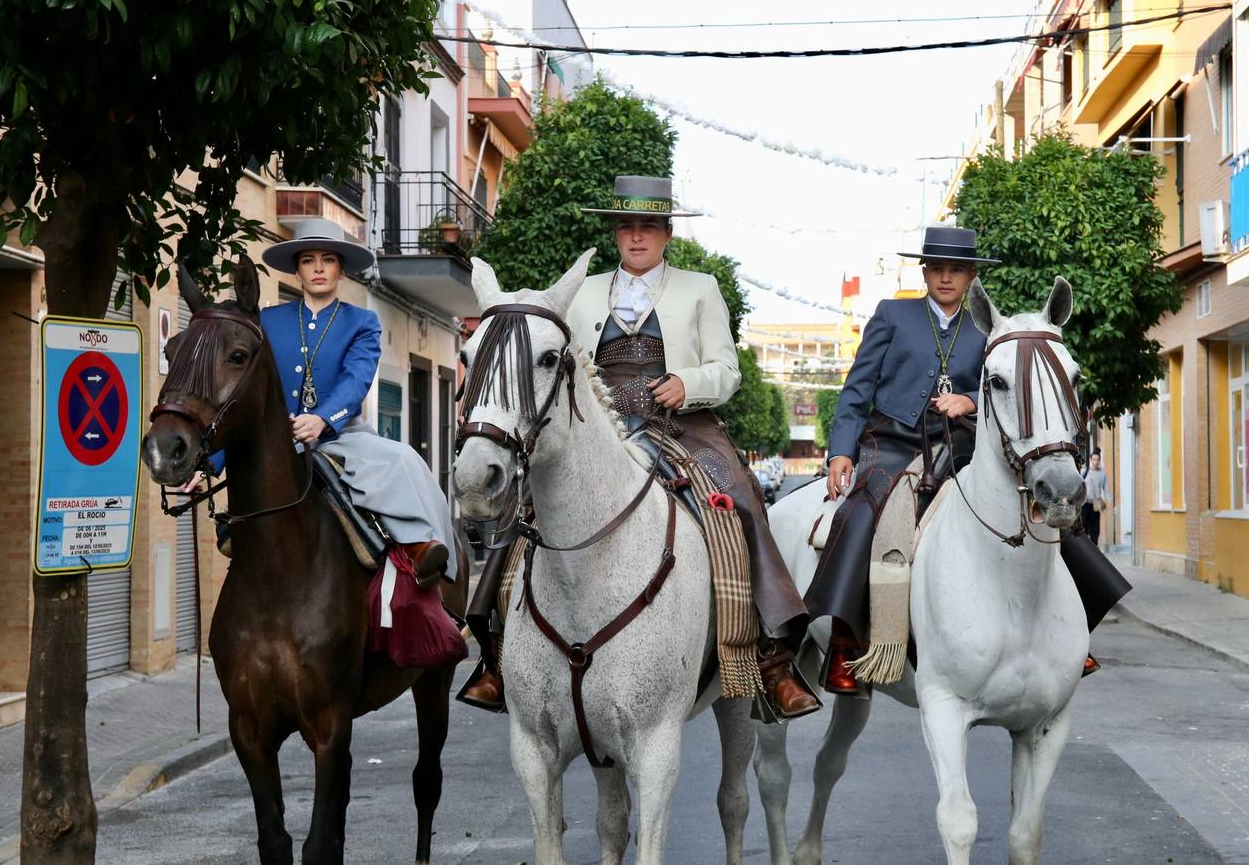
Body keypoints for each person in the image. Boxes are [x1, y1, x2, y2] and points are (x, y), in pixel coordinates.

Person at [460, 175, 821, 721]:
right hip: (597, 425)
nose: (636, 236)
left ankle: (773, 658)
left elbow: (727, 370)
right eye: (626, 226)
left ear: (666, 233)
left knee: (740, 496)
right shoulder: (578, 290)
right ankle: (492, 650)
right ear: (615, 233)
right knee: (529, 505)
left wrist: (688, 383)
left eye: (647, 226)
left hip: (681, 423)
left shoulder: (700, 288)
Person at [186, 217, 456, 582]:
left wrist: (324, 418)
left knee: (403, 458)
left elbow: (356, 380)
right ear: (297, 269)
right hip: (276, 441)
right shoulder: (267, 321)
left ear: (340, 269)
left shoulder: (362, 322)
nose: (317, 268)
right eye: (308, 260)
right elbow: (242, 394)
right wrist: (211, 463)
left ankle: (416, 544)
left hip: (342, 438)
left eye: (327, 259)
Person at [808, 225, 991, 694]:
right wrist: (841, 451)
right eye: (938, 268)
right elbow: (858, 387)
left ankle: (1069, 633)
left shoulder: (987, 327)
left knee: (1029, 499)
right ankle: (846, 643)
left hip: (960, 444)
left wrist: (970, 399)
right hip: (890, 440)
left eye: (957, 270)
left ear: (971, 275)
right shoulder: (892, 313)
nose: (946, 277)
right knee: (861, 511)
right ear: (925, 271)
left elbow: (1002, 389)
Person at [1081, 451, 1110, 545]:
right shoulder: (1084, 471)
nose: (1096, 462)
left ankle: (1094, 547)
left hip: (1095, 504)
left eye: (1098, 460)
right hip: (1084, 503)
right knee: (1083, 527)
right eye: (1094, 459)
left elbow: (1106, 489)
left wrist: (1110, 501)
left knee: (1095, 529)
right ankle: (1084, 549)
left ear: (1100, 461)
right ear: (1090, 460)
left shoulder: (1102, 473)